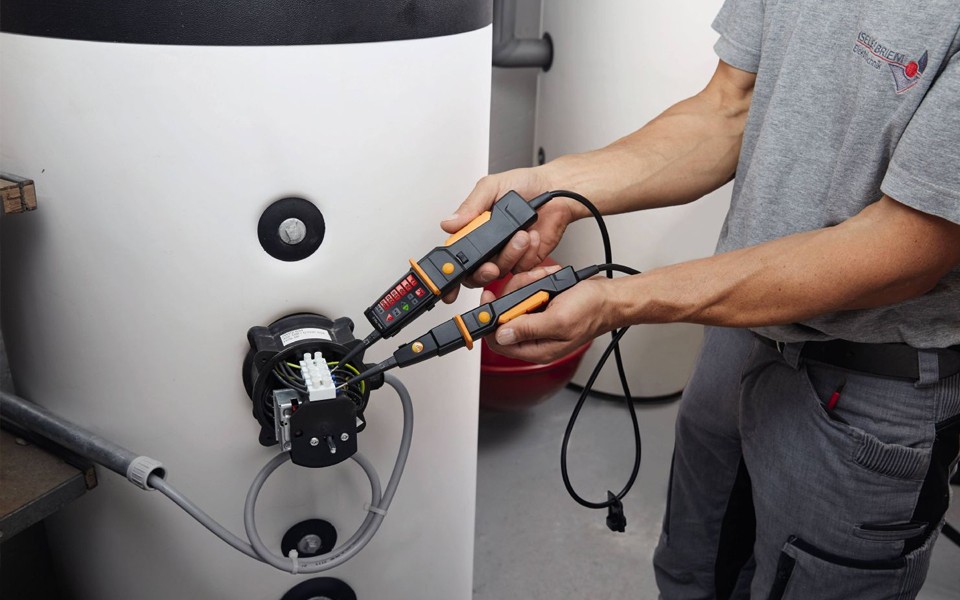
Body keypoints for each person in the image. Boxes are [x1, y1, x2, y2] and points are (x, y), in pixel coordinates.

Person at [443, 1, 960, 598]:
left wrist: (619, 302)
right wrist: (553, 189)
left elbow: (906, 247)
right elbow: (728, 108)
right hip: (741, 332)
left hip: (870, 381)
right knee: (693, 566)